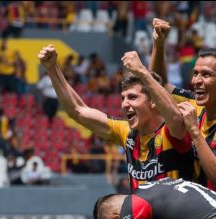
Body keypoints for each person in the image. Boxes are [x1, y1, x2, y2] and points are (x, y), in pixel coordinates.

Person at [38, 44, 193, 192]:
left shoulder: (174, 131)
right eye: (123, 98)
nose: (124, 104)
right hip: (145, 218)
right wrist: (53, 69)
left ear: (153, 101)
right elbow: (78, 111)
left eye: (132, 97)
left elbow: (174, 116)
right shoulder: (127, 132)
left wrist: (142, 72)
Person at [150, 19, 216, 204]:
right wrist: (159, 45)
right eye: (195, 73)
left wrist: (194, 131)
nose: (196, 81)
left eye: (206, 75)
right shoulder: (195, 103)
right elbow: (158, 86)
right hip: (194, 213)